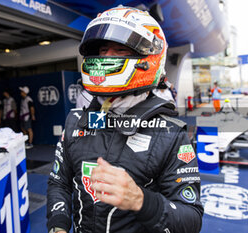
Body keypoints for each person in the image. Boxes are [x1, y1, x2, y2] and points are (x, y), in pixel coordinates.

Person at [47, 6, 203, 233]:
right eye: (102, 51)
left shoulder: (170, 132)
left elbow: (191, 219)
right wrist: (58, 226)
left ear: (149, 56)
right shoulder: (76, 120)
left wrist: (141, 200)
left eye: (120, 50)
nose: (106, 58)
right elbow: (59, 182)